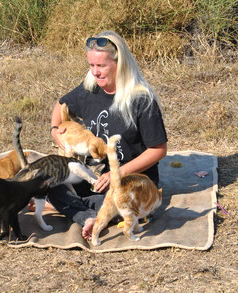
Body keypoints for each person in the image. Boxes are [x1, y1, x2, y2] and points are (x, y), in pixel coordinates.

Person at [48, 30, 168, 240]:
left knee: (120, 200)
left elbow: (158, 150)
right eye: (91, 66)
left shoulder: (141, 99)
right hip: (98, 176)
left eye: (101, 66)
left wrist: (117, 173)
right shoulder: (90, 89)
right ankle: (89, 215)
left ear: (119, 63)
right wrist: (56, 131)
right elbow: (60, 105)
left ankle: (85, 212)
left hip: (133, 180)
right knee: (47, 180)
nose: (95, 72)